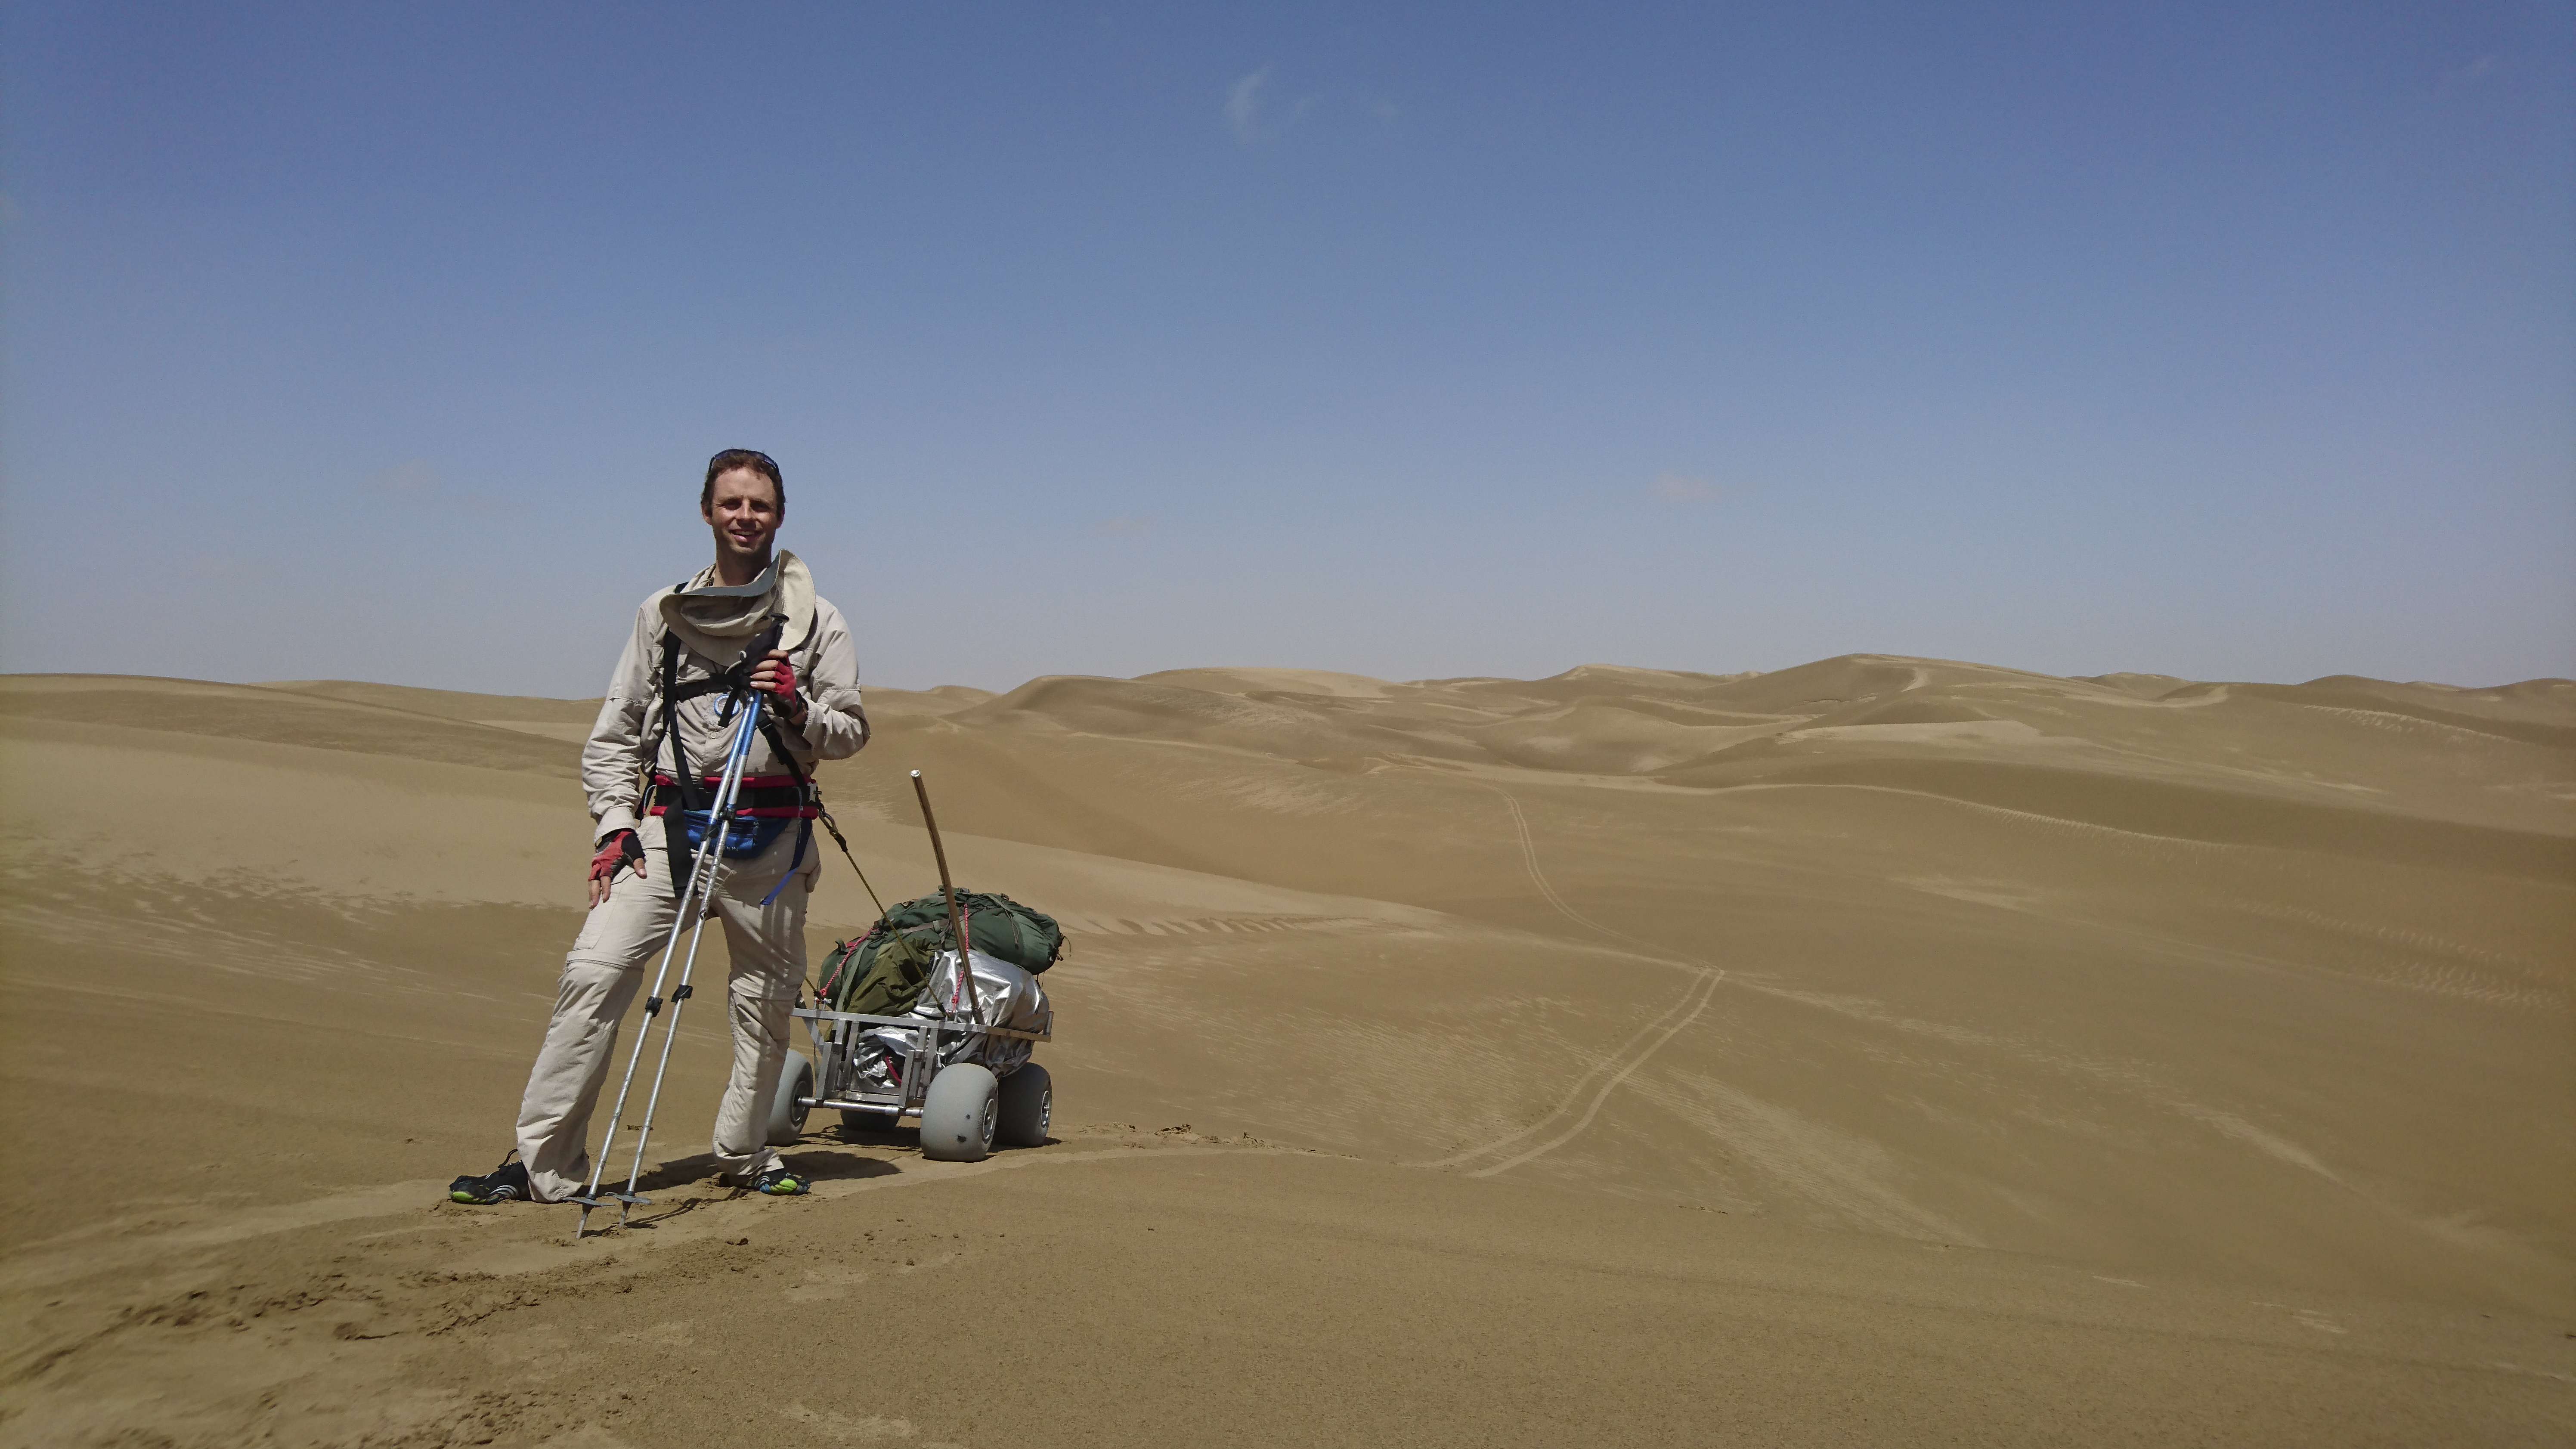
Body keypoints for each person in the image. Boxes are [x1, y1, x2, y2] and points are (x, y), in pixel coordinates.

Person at [449, 449, 869, 1204]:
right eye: (732, 503)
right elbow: (615, 736)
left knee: (764, 1006)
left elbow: (850, 733)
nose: (746, 517)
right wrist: (613, 826)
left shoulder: (816, 621)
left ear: (780, 516)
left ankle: (745, 1156)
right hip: (667, 831)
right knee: (595, 972)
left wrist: (798, 705)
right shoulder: (663, 615)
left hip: (770, 840)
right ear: (707, 511)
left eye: (761, 505)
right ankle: (541, 1164)